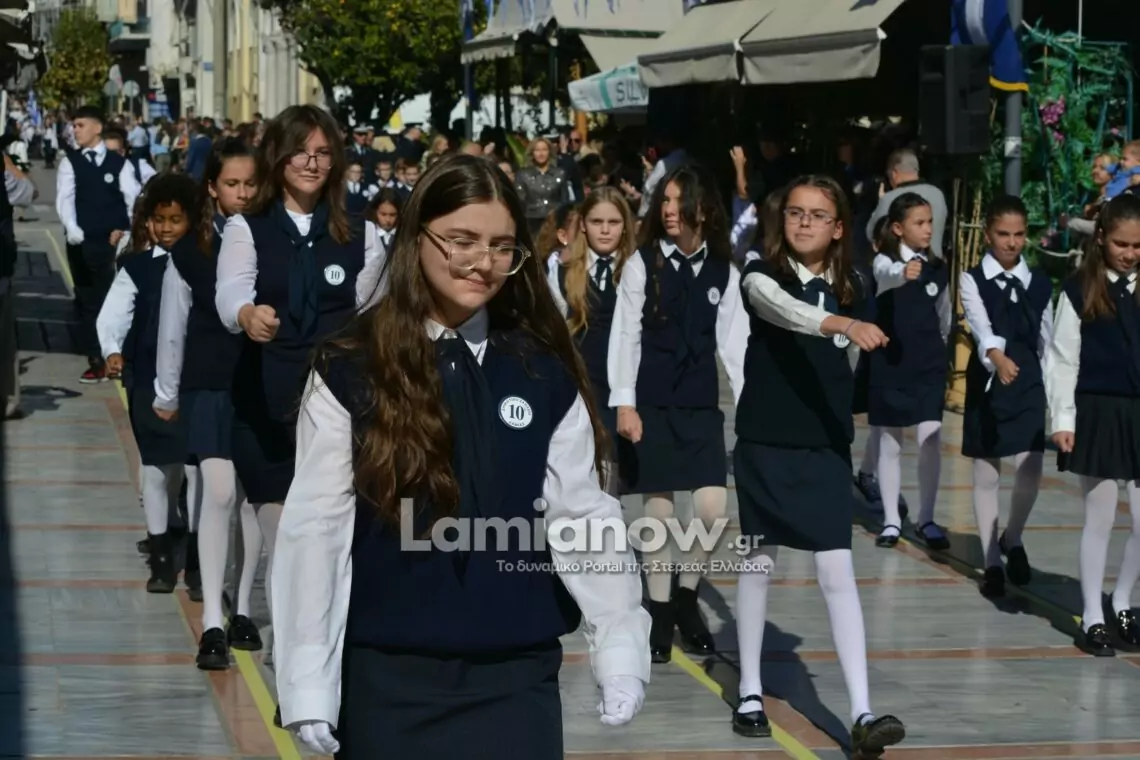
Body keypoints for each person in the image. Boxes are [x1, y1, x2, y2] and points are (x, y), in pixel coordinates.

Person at [271, 153, 650, 757]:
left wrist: (620, 643)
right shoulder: (351, 367)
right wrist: (308, 678)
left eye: (502, 247)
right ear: (416, 237)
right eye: (462, 240)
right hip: (389, 681)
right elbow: (316, 527)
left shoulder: (540, 369)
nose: (483, 262)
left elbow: (581, 513)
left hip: (516, 680)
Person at [731, 174, 905, 755]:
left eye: (817, 215)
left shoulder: (856, 283)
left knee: (837, 572)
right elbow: (784, 312)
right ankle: (749, 689)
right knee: (758, 564)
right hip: (764, 443)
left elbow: (853, 360)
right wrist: (842, 324)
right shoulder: (759, 274)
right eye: (795, 212)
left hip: (825, 447)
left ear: (837, 228)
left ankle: (862, 712)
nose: (804, 222)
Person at [214, 105, 386, 651]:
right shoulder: (247, 227)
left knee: (330, 542)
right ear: (278, 157)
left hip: (338, 410)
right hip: (267, 404)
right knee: (286, 541)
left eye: (323, 153)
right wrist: (247, 314)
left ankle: (329, 653)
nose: (311, 163)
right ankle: (293, 662)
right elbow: (230, 291)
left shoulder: (362, 234)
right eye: (300, 152)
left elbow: (376, 312)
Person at [608, 163, 747, 663]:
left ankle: (687, 595)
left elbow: (735, 345)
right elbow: (625, 332)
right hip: (651, 402)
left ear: (702, 209)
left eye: (678, 201)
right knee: (661, 515)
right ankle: (661, 611)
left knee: (712, 511)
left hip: (700, 404)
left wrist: (749, 407)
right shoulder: (642, 263)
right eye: (664, 201)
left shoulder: (724, 271)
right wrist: (625, 402)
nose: (668, 210)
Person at [153, 137, 264, 668]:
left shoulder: (271, 238)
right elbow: (172, 326)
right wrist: (166, 390)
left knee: (251, 500)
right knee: (218, 491)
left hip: (261, 384)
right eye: (232, 184)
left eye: (251, 183)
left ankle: (242, 607)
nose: (243, 193)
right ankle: (212, 620)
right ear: (213, 188)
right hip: (209, 383)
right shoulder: (189, 251)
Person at [1046, 193, 1140, 656]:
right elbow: (1062, 359)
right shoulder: (1078, 288)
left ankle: (1121, 600)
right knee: (1100, 516)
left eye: (1138, 245)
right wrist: (1063, 419)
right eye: (1122, 244)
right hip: (1098, 411)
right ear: (1101, 238)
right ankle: (1093, 615)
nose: (1130, 253)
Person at [96, 173, 199, 592]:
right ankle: (160, 556)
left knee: (193, 470)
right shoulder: (137, 267)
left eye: (176, 219)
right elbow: (113, 314)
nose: (167, 228)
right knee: (156, 468)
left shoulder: (206, 265)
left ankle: (196, 559)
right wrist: (112, 350)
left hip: (195, 381)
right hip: (146, 380)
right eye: (160, 220)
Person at [960, 196, 1051, 598]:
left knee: (1031, 466)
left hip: (1028, 379)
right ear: (987, 234)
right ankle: (990, 559)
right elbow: (979, 324)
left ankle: (1012, 537)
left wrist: (1055, 390)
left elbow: (1048, 338)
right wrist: (997, 358)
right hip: (988, 378)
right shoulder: (972, 279)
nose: (1011, 242)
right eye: (1003, 234)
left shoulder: (1040, 282)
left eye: (1019, 234)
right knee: (986, 471)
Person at [869, 193, 951, 549]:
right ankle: (891, 520)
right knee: (889, 441)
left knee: (930, 439)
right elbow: (885, 276)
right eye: (919, 223)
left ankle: (927, 518)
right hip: (890, 360)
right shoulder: (884, 262)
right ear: (898, 229)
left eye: (930, 222)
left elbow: (944, 314)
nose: (928, 229)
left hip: (929, 362)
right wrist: (903, 272)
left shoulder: (938, 267)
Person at [547, 186, 637, 495]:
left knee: (617, 473)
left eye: (613, 222)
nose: (605, 230)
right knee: (588, 469)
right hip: (580, 381)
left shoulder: (637, 270)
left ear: (625, 226)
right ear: (583, 224)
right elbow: (553, 329)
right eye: (597, 222)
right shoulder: (563, 272)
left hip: (624, 384)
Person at [56, 105, 142, 384]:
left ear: (97, 128)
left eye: (80, 125)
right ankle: (96, 358)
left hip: (112, 244)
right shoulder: (71, 163)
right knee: (87, 300)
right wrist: (73, 229)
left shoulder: (119, 164)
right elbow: (65, 200)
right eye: (74, 126)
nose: (75, 131)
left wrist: (128, 232)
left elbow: (133, 200)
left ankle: (117, 355)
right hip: (82, 244)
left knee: (115, 299)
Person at [866, 149, 948, 259]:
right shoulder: (938, 194)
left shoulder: (889, 198)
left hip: (904, 265)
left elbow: (871, 234)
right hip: (935, 263)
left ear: (894, 173)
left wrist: (881, 201)